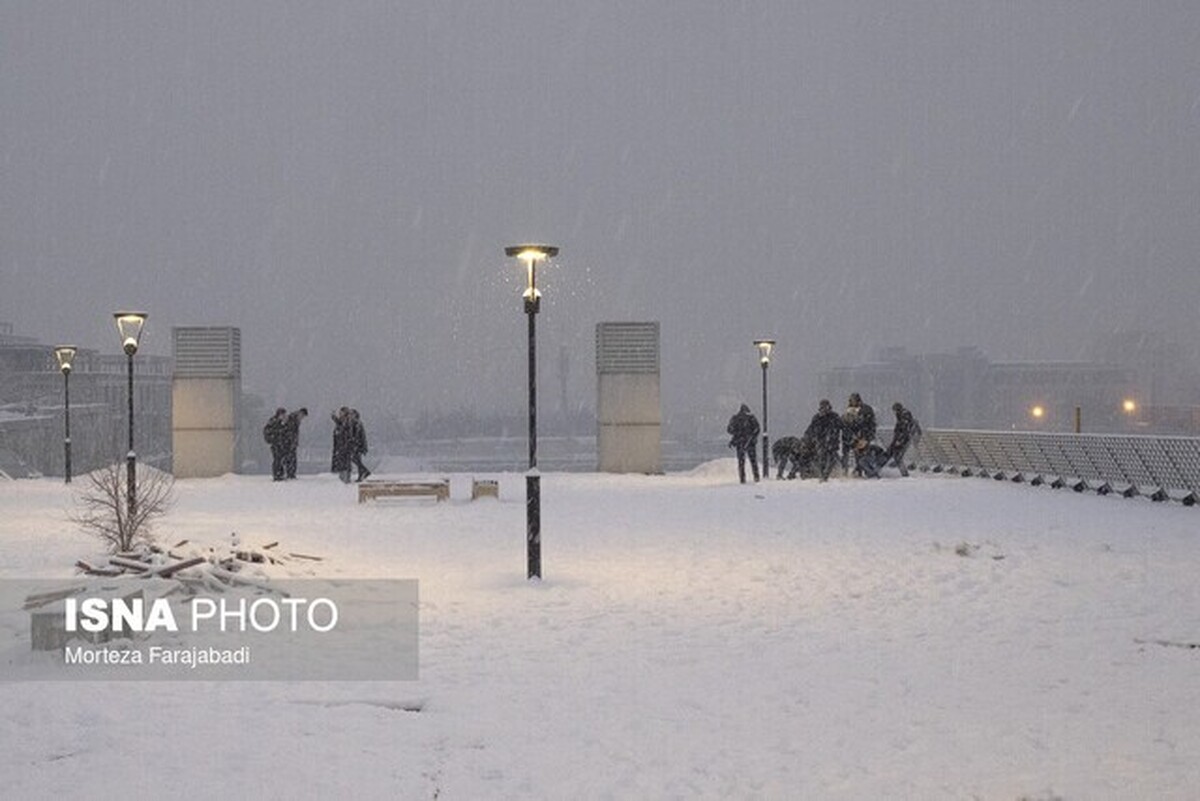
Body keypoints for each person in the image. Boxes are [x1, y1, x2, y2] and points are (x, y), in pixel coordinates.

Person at [804, 399, 844, 481]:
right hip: (821, 442)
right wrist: (807, 438)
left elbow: (842, 427)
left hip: (832, 442)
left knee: (831, 458)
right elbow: (811, 429)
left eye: (826, 407)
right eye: (822, 407)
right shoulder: (817, 417)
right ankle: (823, 475)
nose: (824, 409)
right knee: (822, 459)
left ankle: (826, 475)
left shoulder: (835, 416)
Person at [843, 392, 877, 476]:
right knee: (852, 451)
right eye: (851, 400)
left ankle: (866, 470)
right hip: (853, 436)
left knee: (862, 453)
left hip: (864, 436)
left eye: (854, 400)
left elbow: (870, 425)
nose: (852, 402)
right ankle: (856, 469)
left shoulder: (866, 409)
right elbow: (846, 424)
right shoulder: (849, 410)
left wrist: (865, 437)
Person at [726, 403, 761, 483]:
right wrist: (753, 437)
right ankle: (756, 477)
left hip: (740, 442)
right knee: (753, 461)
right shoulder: (751, 418)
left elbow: (729, 430)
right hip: (750, 442)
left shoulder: (735, 418)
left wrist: (737, 433)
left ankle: (742, 479)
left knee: (741, 462)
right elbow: (757, 429)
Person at [886, 402, 922, 477]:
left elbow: (904, 430)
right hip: (904, 438)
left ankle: (904, 474)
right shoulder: (902, 416)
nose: (894, 413)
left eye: (895, 410)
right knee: (895, 454)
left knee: (898, 457)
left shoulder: (904, 416)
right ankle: (900, 471)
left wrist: (900, 440)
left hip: (906, 439)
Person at [281, 407, 308, 480]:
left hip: (291, 442)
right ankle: (290, 474)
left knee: (291, 458)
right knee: (290, 458)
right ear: (300, 413)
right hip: (289, 443)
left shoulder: (294, 418)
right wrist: (292, 442)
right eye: (302, 416)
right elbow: (291, 432)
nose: (302, 418)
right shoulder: (293, 419)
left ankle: (291, 473)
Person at [263, 407, 288, 481]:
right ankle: (277, 475)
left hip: (280, 443)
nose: (284, 416)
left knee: (280, 459)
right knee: (277, 459)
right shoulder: (274, 421)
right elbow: (271, 431)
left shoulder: (280, 422)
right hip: (276, 444)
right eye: (283, 414)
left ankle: (280, 474)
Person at [330, 407, 353, 483]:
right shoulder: (343, 421)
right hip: (341, 447)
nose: (339, 414)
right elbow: (339, 422)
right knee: (342, 466)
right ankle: (344, 480)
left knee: (344, 466)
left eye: (341, 413)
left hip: (344, 447)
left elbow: (343, 429)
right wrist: (333, 417)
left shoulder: (347, 422)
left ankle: (345, 481)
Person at [348, 409, 371, 482]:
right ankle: (362, 474)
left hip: (358, 446)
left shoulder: (356, 423)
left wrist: (354, 443)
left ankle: (364, 472)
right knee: (357, 460)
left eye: (351, 414)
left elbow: (357, 436)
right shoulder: (354, 423)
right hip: (357, 445)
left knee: (356, 460)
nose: (350, 416)